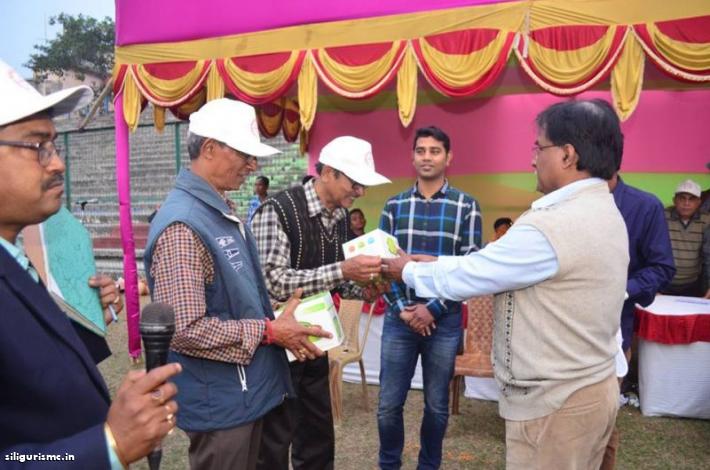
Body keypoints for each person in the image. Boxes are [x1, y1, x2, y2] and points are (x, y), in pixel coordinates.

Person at [383, 99, 629, 469]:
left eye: (539, 147)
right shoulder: (602, 208)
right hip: (589, 387)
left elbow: (476, 273)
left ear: (567, 155)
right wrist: (434, 264)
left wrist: (406, 270)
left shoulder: (553, 224)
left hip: (558, 404)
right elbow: (490, 265)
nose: (532, 159)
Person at [0, 58, 180, 469]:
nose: (57, 163)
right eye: (37, 147)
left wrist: (82, 316)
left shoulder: (16, 260)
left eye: (54, 146)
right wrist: (108, 446)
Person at [144, 98, 330, 470]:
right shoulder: (183, 226)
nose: (253, 165)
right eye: (245, 154)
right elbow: (185, 329)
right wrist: (268, 331)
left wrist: (271, 317)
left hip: (245, 392)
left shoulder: (216, 209)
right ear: (210, 149)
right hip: (222, 403)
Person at [252, 136, 390, 470]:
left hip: (315, 341)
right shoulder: (278, 211)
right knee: (272, 441)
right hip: (277, 344)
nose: (360, 192)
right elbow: (273, 280)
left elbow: (334, 279)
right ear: (328, 172)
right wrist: (343, 270)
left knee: (316, 436)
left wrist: (364, 288)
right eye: (355, 183)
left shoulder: (341, 216)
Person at [377, 126, 482, 469]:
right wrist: (402, 310)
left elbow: (469, 268)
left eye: (435, 151)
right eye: (421, 150)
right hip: (400, 320)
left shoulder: (466, 206)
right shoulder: (393, 206)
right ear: (412, 157)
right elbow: (384, 264)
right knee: (388, 405)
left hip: (444, 322)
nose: (427, 157)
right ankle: (388, 465)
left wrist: (433, 309)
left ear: (448, 158)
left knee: (436, 406)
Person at [601, 144, 675, 470]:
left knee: (602, 425)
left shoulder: (644, 207)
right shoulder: (561, 205)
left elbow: (662, 267)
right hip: (561, 336)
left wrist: (623, 290)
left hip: (612, 335)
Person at [661, 179, 710, 298]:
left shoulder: (706, 220)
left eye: (691, 199)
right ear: (674, 200)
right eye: (682, 198)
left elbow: (708, 256)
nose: (686, 203)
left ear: (699, 202)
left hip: (693, 285)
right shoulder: (661, 216)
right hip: (663, 283)